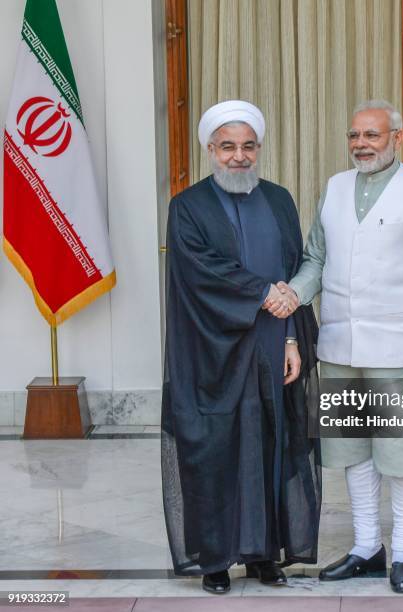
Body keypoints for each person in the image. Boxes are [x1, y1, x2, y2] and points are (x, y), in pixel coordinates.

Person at [266, 99, 403, 593]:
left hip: (402, 351)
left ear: (397, 138)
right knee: (351, 453)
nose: (361, 145)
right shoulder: (334, 188)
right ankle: (365, 548)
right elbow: (316, 259)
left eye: (372, 136)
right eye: (355, 136)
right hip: (340, 349)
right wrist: (295, 294)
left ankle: (402, 554)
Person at [161, 100, 321, 595]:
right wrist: (260, 292)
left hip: (275, 346)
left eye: (248, 146)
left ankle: (263, 555)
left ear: (259, 150)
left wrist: (293, 336)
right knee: (215, 450)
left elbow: (294, 267)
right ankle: (214, 559)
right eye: (228, 147)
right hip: (213, 353)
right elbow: (200, 272)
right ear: (211, 149)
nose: (238, 157)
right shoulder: (187, 206)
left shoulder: (279, 199)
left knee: (273, 445)